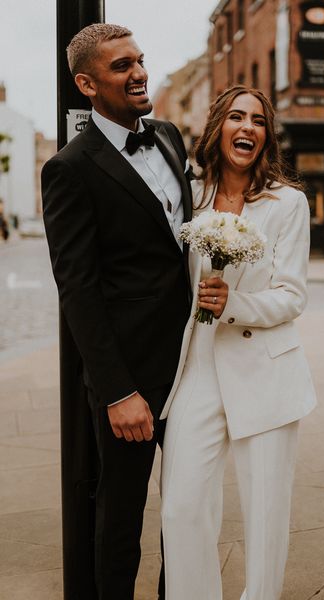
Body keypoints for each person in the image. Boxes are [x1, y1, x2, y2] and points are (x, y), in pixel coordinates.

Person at [41, 23, 192, 600]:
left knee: (185, 506)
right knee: (122, 517)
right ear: (87, 83)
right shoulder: (70, 169)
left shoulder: (171, 137)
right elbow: (77, 289)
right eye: (121, 67)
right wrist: (117, 391)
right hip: (131, 378)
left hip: (192, 365)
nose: (139, 74)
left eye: (140, 61)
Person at [160, 85, 317, 600]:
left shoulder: (288, 203)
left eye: (257, 120)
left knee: (266, 517)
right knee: (181, 508)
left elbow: (291, 296)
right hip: (198, 367)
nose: (247, 127)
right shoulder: (192, 196)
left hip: (265, 370)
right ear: (217, 128)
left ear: (266, 136)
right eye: (236, 117)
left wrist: (233, 304)